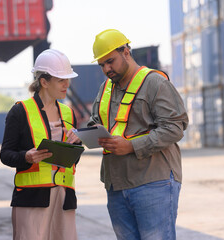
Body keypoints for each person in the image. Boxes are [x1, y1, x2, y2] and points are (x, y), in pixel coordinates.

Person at [87, 29, 189, 240]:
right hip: (116, 184)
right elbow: (97, 121)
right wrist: (87, 133)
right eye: (102, 65)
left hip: (153, 182)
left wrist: (131, 146)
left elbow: (174, 128)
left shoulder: (155, 83)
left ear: (126, 52)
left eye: (110, 61)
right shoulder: (105, 88)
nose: (107, 69)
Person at [0, 49, 81, 240]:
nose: (66, 84)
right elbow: (5, 154)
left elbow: (72, 162)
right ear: (44, 82)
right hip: (31, 200)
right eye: (61, 80)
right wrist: (25, 157)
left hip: (64, 198)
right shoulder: (20, 112)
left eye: (67, 79)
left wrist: (76, 145)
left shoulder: (68, 113)